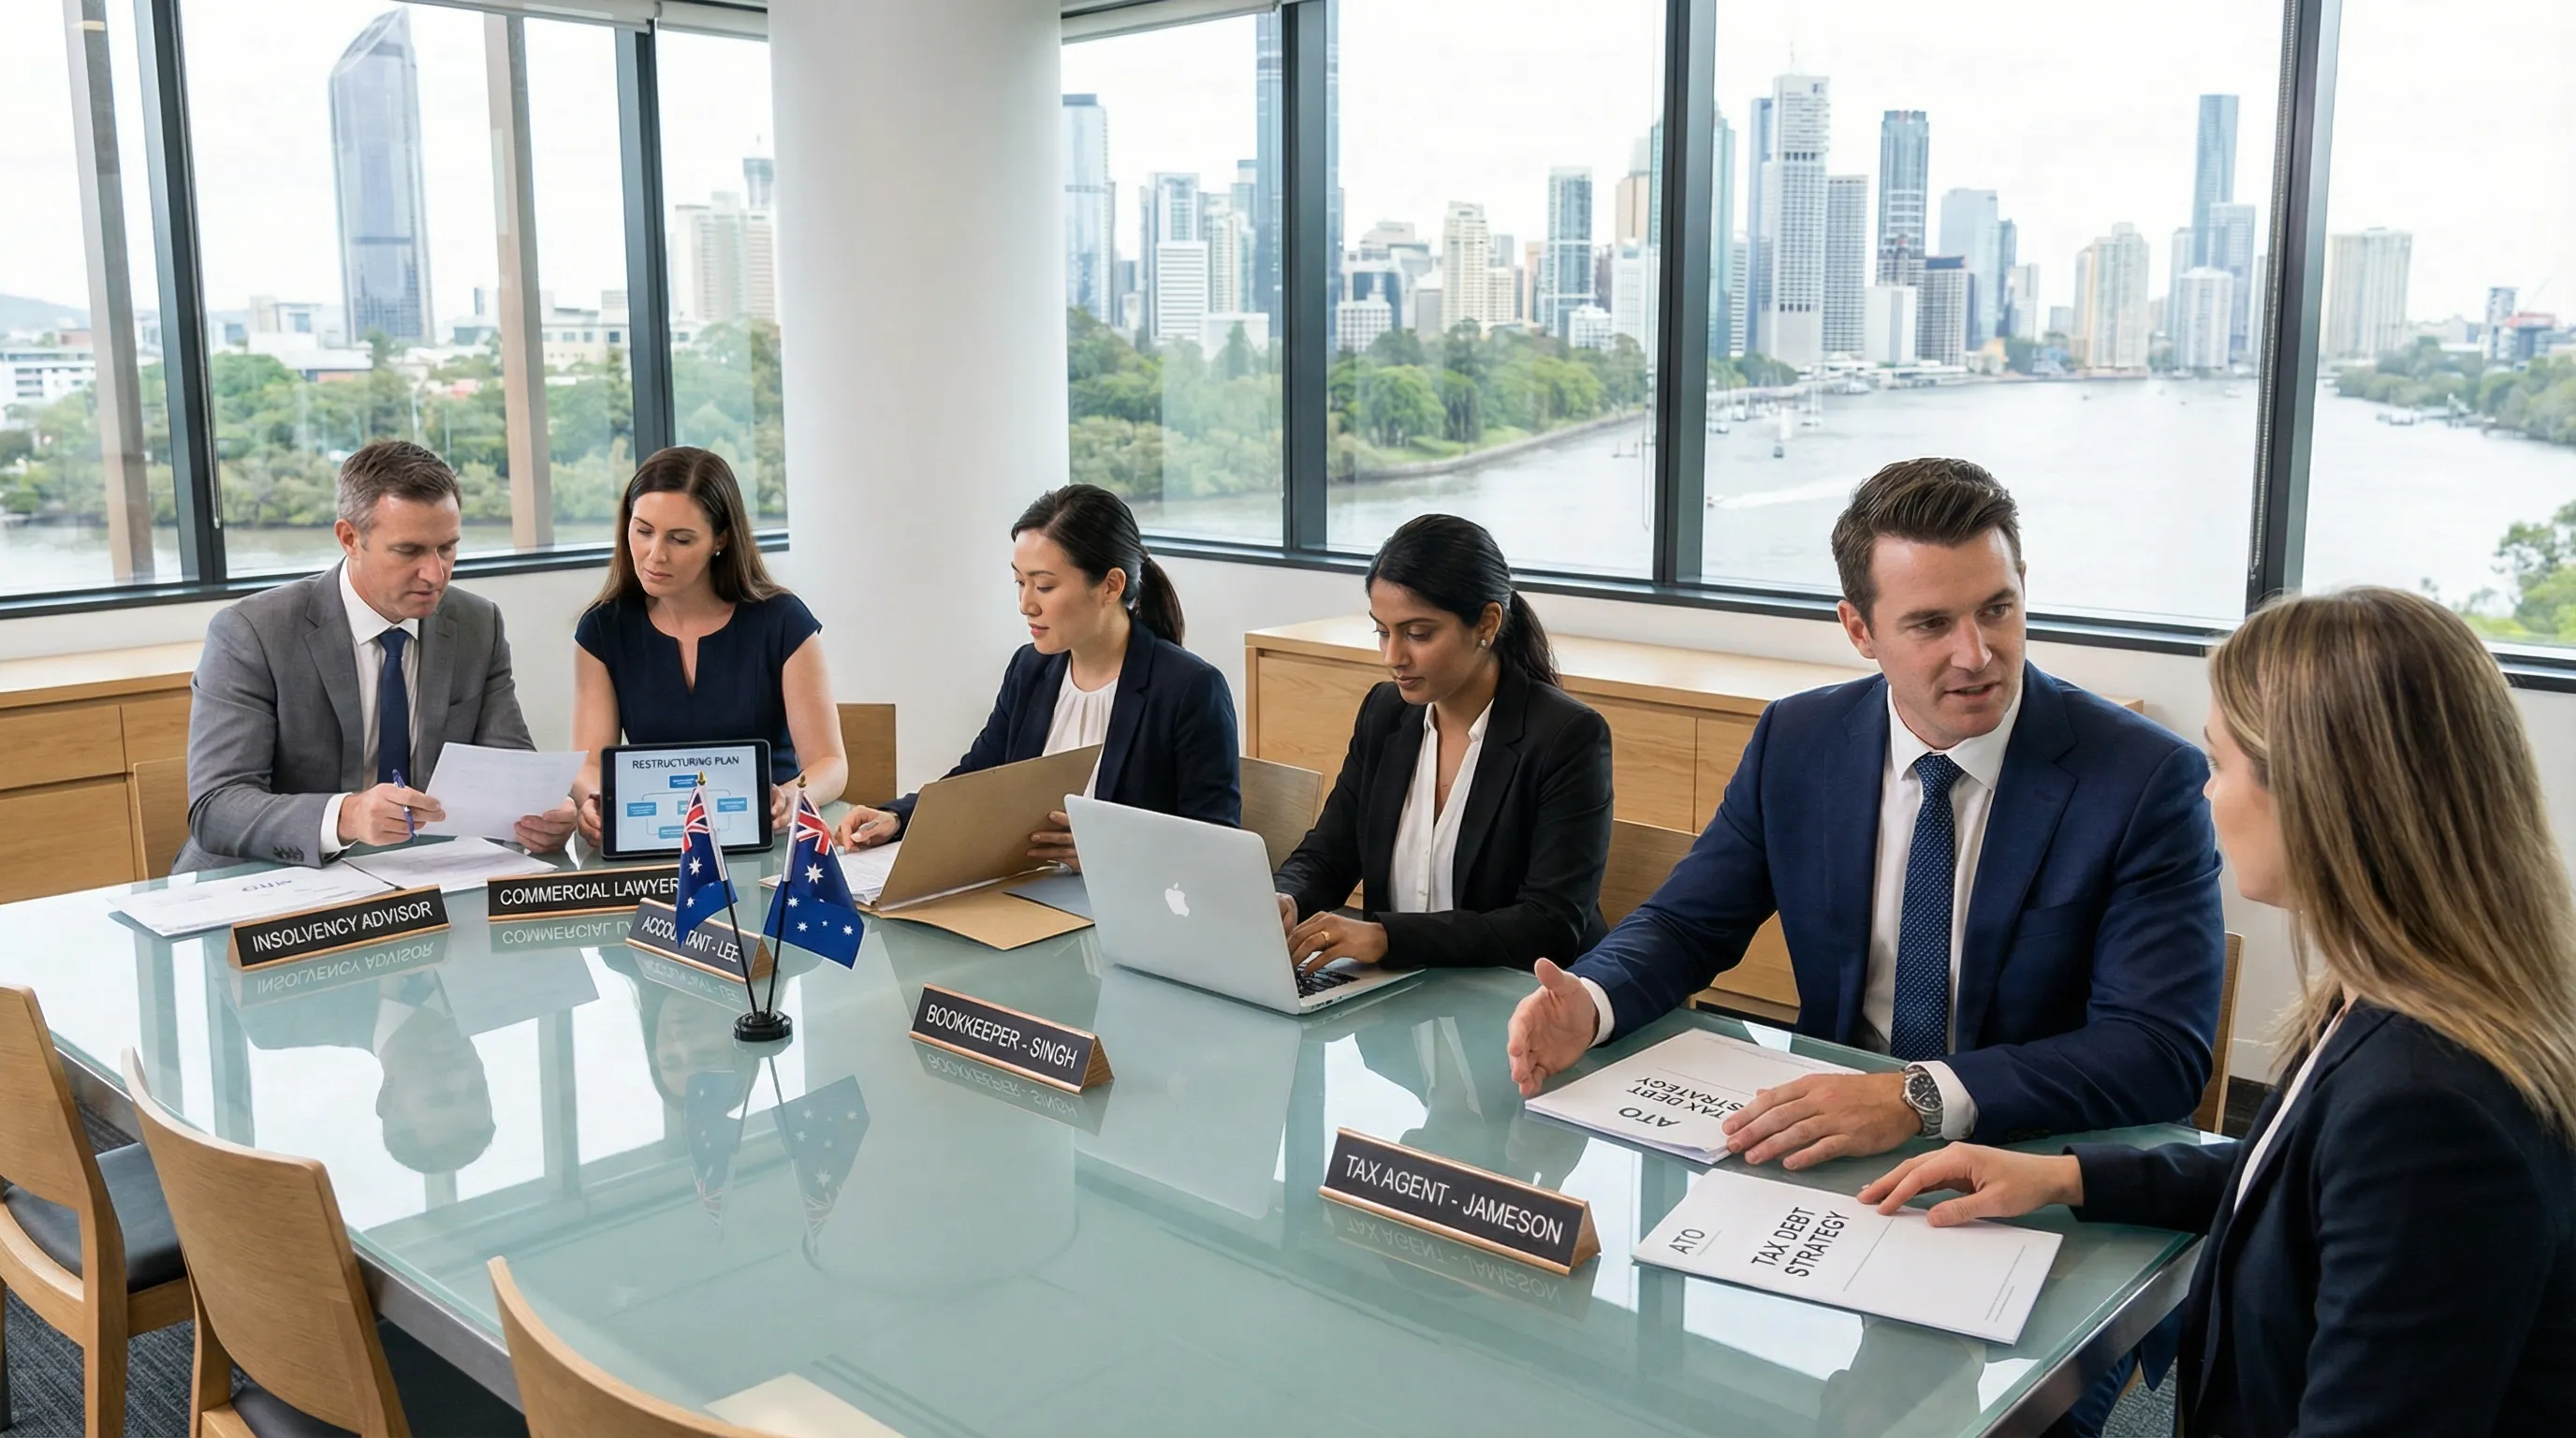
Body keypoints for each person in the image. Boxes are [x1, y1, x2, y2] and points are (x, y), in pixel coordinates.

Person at [1862, 587, 2576, 1437]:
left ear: (2323, 796)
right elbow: (2296, 1180)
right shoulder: (2396, 1004)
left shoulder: (2427, 1110)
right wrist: (2066, 1178)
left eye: (2221, 765)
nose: (2205, 796)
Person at [1508, 459, 2225, 1166]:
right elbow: (1689, 924)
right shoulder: (1799, 740)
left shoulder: (2142, 779)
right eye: (1931, 624)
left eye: (1996, 609)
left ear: (2023, 587)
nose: (1975, 654)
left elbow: (2157, 1051)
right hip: (1837, 1141)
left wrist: (1917, 1098)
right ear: (1859, 630)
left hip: (2034, 1158)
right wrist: (1593, 1002)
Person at [179, 441, 576, 873]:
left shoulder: (477, 624)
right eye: (409, 551)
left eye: (447, 548)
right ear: (350, 538)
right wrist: (347, 816)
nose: (435, 573)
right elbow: (218, 807)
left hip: (423, 876)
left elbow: (512, 773)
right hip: (271, 879)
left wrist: (545, 815)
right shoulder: (253, 632)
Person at [1272, 514, 1614, 973]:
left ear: (1487, 623)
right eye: (1382, 631)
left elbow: (1549, 923)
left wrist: (1387, 938)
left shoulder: (1566, 736)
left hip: (1517, 1005)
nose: (1393, 657)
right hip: (1399, 998)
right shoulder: (1385, 713)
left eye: (1418, 634)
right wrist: (1287, 897)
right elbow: (1330, 852)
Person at [834, 483, 1238, 862]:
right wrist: (898, 817)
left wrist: (1108, 851)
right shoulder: (1030, 668)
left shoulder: (1190, 689)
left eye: (1044, 586)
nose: (1026, 604)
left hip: (1129, 911)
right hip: (1024, 895)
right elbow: (979, 776)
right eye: (1019, 582)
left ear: (1111, 586)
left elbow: (1215, 840)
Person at [572, 447, 844, 843]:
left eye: (680, 539)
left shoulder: (783, 621)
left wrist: (788, 796)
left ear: (721, 539)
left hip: (768, 839)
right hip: (653, 838)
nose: (655, 555)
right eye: (643, 531)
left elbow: (831, 764)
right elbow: (589, 764)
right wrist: (597, 800)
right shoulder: (602, 629)